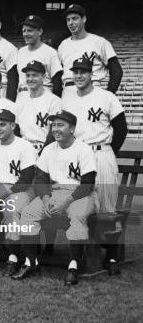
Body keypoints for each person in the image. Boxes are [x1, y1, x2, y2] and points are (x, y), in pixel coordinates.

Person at [60, 57, 127, 273]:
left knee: (107, 208)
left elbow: (121, 128)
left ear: (92, 74)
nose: (79, 75)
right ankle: (81, 255)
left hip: (101, 152)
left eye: (83, 71)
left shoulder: (106, 97)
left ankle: (113, 257)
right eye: (75, 71)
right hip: (79, 156)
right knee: (80, 204)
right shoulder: (68, 99)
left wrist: (108, 153)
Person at [15, 110, 97, 285]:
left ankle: (73, 265)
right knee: (28, 213)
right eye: (53, 125)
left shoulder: (84, 149)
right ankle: (31, 261)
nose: (55, 129)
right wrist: (45, 199)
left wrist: (66, 201)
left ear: (73, 128)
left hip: (80, 195)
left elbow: (88, 183)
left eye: (61, 125)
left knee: (77, 215)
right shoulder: (49, 149)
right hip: (54, 192)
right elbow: (41, 179)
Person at [0, 109, 37, 275]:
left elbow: (27, 177)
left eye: (3, 125)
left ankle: (13, 256)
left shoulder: (24, 145)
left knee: (11, 209)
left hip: (21, 189)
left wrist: (5, 193)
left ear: (13, 126)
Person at [58, 4, 123, 99]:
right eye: (68, 20)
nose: (71, 23)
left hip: (93, 89)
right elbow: (57, 75)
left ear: (84, 19)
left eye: (74, 18)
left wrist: (109, 95)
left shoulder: (100, 42)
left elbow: (117, 71)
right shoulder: (63, 45)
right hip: (68, 92)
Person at [15, 60, 60, 154]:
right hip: (24, 150)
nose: (30, 78)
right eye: (28, 75)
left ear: (43, 77)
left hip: (47, 149)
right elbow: (16, 129)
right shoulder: (20, 101)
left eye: (34, 75)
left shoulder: (54, 101)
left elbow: (54, 131)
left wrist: (43, 154)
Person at [16, 15, 62, 98]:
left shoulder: (50, 52)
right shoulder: (20, 52)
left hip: (43, 97)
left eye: (29, 31)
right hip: (22, 97)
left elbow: (57, 82)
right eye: (24, 31)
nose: (25, 34)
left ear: (40, 31)